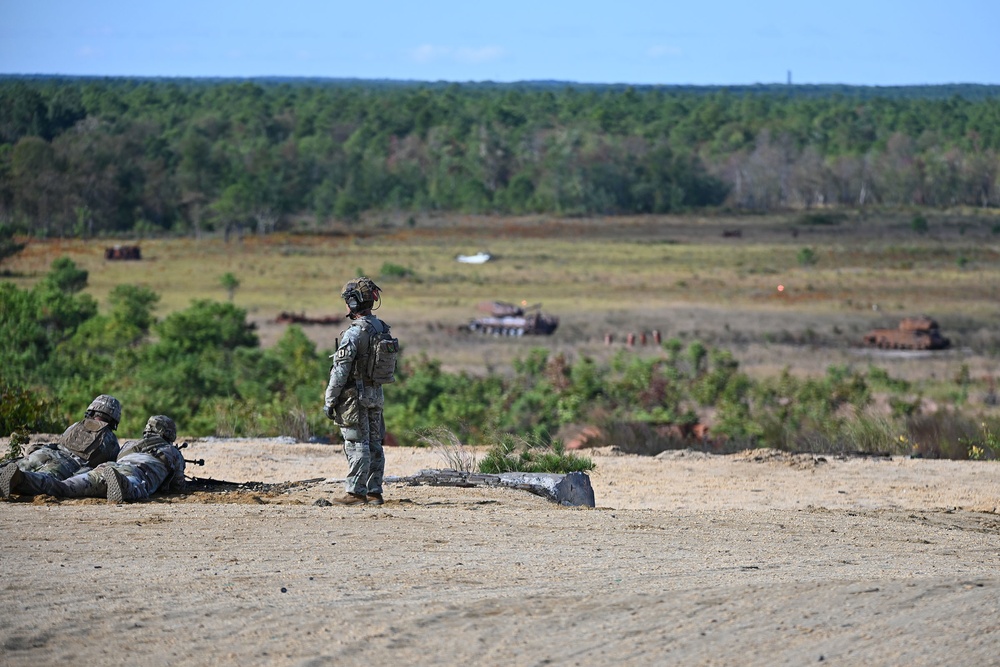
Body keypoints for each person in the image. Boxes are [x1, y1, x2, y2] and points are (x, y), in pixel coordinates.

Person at [323, 276, 397, 506]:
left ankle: (355, 492)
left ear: (353, 303)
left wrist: (330, 400)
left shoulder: (354, 334)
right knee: (375, 443)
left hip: (354, 398)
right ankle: (374, 492)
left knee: (356, 444)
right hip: (376, 395)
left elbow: (340, 372)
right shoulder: (380, 328)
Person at [3, 415, 185, 502]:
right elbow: (177, 485)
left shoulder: (130, 444)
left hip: (107, 466)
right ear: (169, 434)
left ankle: (21, 478)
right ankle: (122, 483)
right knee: (136, 490)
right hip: (136, 474)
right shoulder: (173, 453)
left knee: (62, 487)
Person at [0, 394, 122, 498]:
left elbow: (61, 441)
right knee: (43, 481)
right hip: (67, 465)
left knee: (15, 465)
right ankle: (19, 478)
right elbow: (104, 468)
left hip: (45, 453)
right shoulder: (111, 440)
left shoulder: (76, 425)